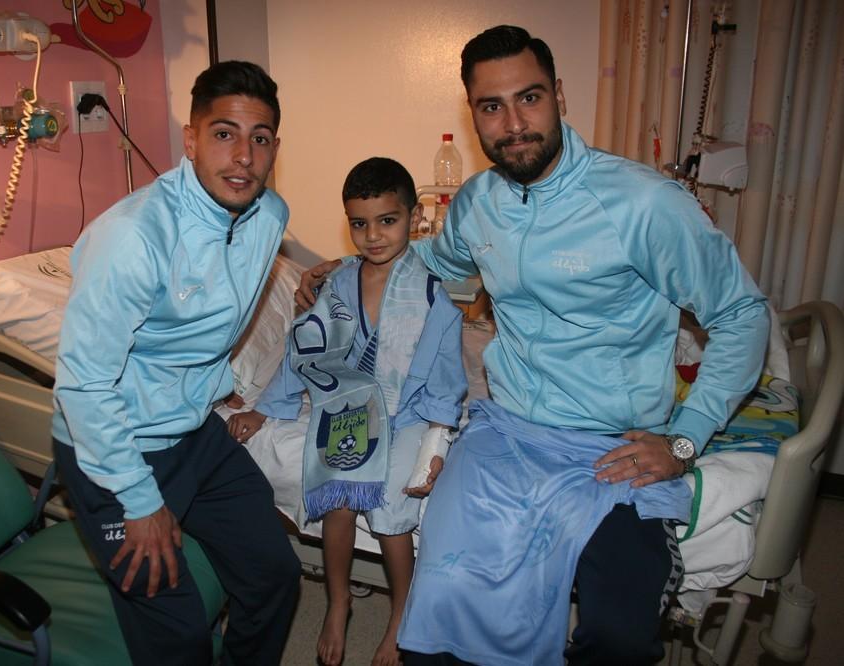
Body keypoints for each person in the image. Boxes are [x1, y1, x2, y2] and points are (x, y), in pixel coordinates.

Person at [297, 26, 769, 665]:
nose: (514, 123)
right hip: (508, 434)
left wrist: (685, 438)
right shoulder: (478, 204)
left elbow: (743, 314)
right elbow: (433, 259)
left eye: (530, 98)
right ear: (473, 117)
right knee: (441, 608)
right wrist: (344, 268)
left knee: (621, 634)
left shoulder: (644, 204)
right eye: (492, 107)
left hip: (615, 447)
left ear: (560, 96)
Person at [52, 60, 301, 666]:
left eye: (259, 138)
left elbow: (215, 315)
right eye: (224, 134)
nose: (243, 155)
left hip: (192, 432)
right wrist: (138, 500)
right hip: (114, 448)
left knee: (276, 578)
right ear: (190, 139)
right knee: (179, 637)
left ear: (274, 148)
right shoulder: (134, 238)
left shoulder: (269, 217)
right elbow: (83, 386)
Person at [228, 157, 467, 666]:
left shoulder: (430, 294)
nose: (373, 235)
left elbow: (447, 378)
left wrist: (436, 442)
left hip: (408, 413)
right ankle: (338, 604)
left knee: (390, 511)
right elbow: (307, 348)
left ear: (411, 217)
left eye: (387, 220)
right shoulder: (337, 284)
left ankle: (401, 613)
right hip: (351, 404)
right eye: (359, 223)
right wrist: (270, 409)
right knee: (338, 501)